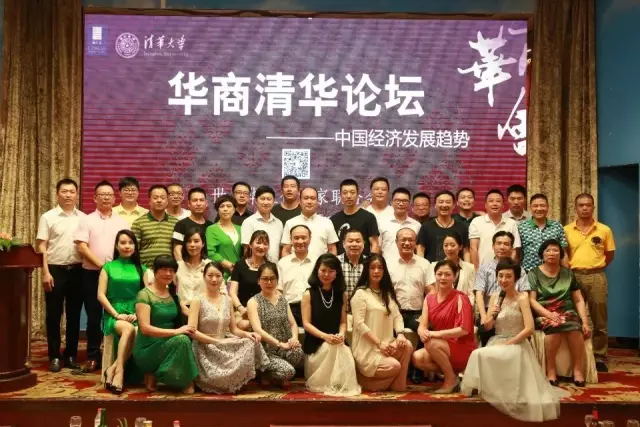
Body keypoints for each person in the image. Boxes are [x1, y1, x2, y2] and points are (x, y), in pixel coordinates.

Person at [461, 259, 563, 422]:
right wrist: (492, 315)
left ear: (516, 278)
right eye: (500, 276)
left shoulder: (522, 298)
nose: (503, 280)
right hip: (497, 339)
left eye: (508, 276)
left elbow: (529, 328)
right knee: (477, 353)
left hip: (517, 342)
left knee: (484, 354)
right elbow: (488, 327)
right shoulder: (495, 297)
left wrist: (510, 343)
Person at [74, 180, 129, 372]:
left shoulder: (122, 222)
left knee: (116, 314)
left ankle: (115, 354)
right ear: (94, 198)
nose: (106, 198)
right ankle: (92, 356)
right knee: (93, 316)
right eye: (102, 194)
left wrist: (114, 269)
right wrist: (103, 266)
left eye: (109, 195)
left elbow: (127, 246)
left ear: (114, 198)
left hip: (117, 276)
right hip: (92, 274)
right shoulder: (86, 220)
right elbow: (82, 247)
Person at [189, 262, 268, 394]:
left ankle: (256, 377)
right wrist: (217, 341)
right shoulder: (197, 300)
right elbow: (192, 332)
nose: (214, 279)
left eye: (218, 276)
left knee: (251, 341)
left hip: (224, 342)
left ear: (223, 278)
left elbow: (234, 329)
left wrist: (248, 334)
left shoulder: (228, 300)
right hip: (205, 347)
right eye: (210, 275)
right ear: (204, 277)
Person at [36, 178, 86, 372]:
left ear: (76, 194)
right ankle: (54, 356)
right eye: (64, 191)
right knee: (54, 315)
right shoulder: (48, 217)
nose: (68, 195)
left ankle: (71, 354)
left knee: (74, 315)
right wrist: (45, 272)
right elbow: (41, 246)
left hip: (78, 270)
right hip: (55, 270)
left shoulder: (83, 218)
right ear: (57, 194)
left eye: (71, 191)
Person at [564, 193, 615, 372]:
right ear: (575, 208)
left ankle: (599, 356)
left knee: (599, 318)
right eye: (581, 205)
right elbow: (564, 254)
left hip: (596, 276)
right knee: (573, 317)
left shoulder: (604, 230)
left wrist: (595, 267)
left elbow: (609, 255)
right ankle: (576, 353)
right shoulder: (567, 230)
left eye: (588, 205)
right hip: (573, 276)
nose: (584, 208)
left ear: (593, 207)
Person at [528, 239, 591, 386]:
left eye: (555, 250)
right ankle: (551, 370)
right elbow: (532, 300)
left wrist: (585, 321)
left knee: (575, 327)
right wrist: (548, 314)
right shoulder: (533, 273)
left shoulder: (568, 273)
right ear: (542, 254)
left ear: (561, 254)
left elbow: (578, 300)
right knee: (554, 326)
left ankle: (577, 370)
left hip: (567, 310)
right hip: (544, 311)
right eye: (548, 250)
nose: (552, 253)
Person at [133, 255, 198, 393]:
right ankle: (184, 381)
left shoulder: (173, 295)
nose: (168, 273)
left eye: (172, 270)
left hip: (169, 342)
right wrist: (177, 331)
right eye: (164, 269)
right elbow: (145, 329)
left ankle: (157, 375)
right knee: (182, 339)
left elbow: (189, 312)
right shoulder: (144, 295)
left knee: (188, 338)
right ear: (155, 271)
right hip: (147, 347)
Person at [350, 254, 413, 392]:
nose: (376, 271)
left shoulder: (387, 294)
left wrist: (400, 334)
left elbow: (397, 317)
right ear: (367, 270)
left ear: (384, 271)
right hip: (368, 349)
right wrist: (379, 343)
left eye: (380, 268)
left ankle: (398, 385)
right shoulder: (360, 294)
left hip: (387, 345)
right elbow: (359, 324)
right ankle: (367, 382)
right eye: (372, 268)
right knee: (394, 366)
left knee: (407, 345)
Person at [412, 260, 476, 393]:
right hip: (442, 346)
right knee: (417, 358)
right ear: (434, 275)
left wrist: (434, 334)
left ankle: (450, 380)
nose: (443, 278)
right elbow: (422, 325)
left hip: (461, 347)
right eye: (439, 274)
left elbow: (464, 330)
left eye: (447, 274)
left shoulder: (461, 298)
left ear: (455, 276)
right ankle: (452, 375)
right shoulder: (429, 298)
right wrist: (421, 331)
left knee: (431, 343)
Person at [301, 254, 361, 396]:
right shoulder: (308, 294)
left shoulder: (341, 294)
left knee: (342, 349)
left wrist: (341, 334)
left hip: (336, 340)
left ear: (337, 273)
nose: (326, 274)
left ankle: (339, 383)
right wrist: (325, 337)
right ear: (317, 270)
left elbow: (343, 322)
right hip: (315, 344)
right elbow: (306, 324)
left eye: (331, 271)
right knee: (331, 347)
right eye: (323, 270)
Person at [97, 230, 146, 394]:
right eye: (123, 243)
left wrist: (137, 314)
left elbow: (146, 296)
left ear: (135, 246)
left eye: (130, 243)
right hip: (114, 312)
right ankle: (120, 372)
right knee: (129, 329)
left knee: (136, 328)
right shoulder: (108, 267)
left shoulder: (141, 269)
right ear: (117, 246)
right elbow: (100, 295)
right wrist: (116, 314)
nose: (127, 246)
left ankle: (113, 368)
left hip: (135, 312)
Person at [247, 262, 305, 388]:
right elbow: (257, 330)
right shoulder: (253, 302)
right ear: (258, 281)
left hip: (285, 347)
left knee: (298, 352)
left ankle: (278, 373)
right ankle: (265, 372)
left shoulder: (282, 299)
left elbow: (293, 324)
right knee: (289, 371)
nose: (269, 282)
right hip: (266, 351)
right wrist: (279, 344)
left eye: (272, 279)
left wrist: (294, 339)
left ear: (277, 280)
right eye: (265, 279)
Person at [474, 231, 530, 346]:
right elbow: (479, 293)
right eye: (499, 243)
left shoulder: (519, 269)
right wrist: (484, 316)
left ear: (512, 248)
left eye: (506, 244)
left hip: (515, 306)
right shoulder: (484, 268)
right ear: (493, 246)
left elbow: (524, 292)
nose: (502, 247)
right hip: (491, 307)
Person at [387, 228, 432, 332]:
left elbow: (431, 292)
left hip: (418, 314)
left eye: (411, 240)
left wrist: (426, 315)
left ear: (415, 243)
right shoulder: (388, 264)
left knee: (426, 333)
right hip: (394, 313)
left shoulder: (424, 264)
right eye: (403, 240)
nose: (407, 243)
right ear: (396, 242)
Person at [469, 189, 521, 269]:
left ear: (503, 205)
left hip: (504, 271)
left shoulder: (511, 223)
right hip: (483, 271)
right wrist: (476, 271)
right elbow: (473, 248)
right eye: (491, 201)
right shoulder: (476, 222)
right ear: (485, 205)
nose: (495, 204)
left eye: (498, 201)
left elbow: (514, 249)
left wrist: (509, 268)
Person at [281, 187, 339, 259]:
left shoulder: (327, 222)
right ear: (300, 201)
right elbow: (286, 251)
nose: (309, 201)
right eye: (306, 198)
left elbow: (332, 249)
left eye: (312, 198)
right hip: (296, 265)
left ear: (317, 202)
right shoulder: (290, 223)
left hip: (321, 266)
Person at [229, 230, 270, 330]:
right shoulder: (240, 265)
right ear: (250, 245)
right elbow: (232, 292)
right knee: (244, 324)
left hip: (263, 311)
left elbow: (272, 293)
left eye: (265, 244)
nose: (261, 247)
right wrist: (241, 309)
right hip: (242, 311)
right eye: (258, 243)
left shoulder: (270, 267)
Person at [518, 193, 568, 272]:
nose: (539, 208)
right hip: (528, 273)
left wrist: (567, 274)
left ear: (548, 207)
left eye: (542, 205)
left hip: (553, 273)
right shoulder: (521, 227)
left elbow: (563, 253)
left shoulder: (557, 226)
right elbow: (517, 253)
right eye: (535, 206)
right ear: (530, 208)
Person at [131, 185, 178, 268]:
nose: (159, 200)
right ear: (149, 201)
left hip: (169, 271)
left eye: (162, 198)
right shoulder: (138, 223)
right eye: (155, 198)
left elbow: (178, 250)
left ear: (167, 201)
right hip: (146, 271)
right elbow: (133, 251)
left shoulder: (176, 223)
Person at [330, 178, 380, 255]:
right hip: (340, 262)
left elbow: (375, 244)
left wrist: (372, 261)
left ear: (357, 194)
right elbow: (332, 248)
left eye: (352, 192)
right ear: (340, 195)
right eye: (345, 193)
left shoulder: (369, 217)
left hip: (364, 261)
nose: (348, 196)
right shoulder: (333, 220)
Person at [277, 224, 315, 325]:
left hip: (313, 309)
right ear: (291, 240)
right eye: (296, 238)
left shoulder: (317, 262)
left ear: (310, 239)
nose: (300, 241)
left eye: (303, 238)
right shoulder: (282, 263)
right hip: (289, 310)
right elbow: (278, 291)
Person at [417, 190, 469, 262]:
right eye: (441, 202)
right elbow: (420, 250)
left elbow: (466, 251)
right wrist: (422, 267)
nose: (444, 205)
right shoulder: (426, 226)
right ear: (435, 205)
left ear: (454, 205)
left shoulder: (462, 226)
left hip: (456, 268)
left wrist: (467, 267)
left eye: (448, 202)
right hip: (432, 268)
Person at [428, 232, 475, 304]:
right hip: (441, 306)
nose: (449, 248)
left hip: (462, 306)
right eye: (446, 245)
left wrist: (465, 307)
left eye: (452, 245)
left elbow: (471, 294)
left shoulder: (469, 268)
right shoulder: (434, 266)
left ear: (460, 247)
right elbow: (434, 291)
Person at [240, 185, 283, 262]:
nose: (266, 202)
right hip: (255, 267)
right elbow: (247, 250)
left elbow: (280, 249)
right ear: (256, 201)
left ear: (273, 201)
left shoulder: (279, 223)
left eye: (269, 199)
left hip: (274, 267)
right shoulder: (248, 222)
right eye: (262, 199)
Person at [175, 230, 212, 316]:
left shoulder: (210, 266)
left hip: (204, 312)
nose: (192, 245)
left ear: (203, 244)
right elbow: (171, 292)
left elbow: (221, 291)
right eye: (189, 241)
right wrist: (181, 305)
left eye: (196, 241)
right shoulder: (178, 266)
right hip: (181, 311)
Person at [378, 187, 421, 262]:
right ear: (391, 202)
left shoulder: (417, 225)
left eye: (404, 201)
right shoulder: (381, 223)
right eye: (397, 201)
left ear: (410, 203)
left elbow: (418, 250)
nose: (401, 204)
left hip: (410, 266)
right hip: (387, 266)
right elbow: (378, 248)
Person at [205, 194, 241, 280]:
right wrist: (229, 265)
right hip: (219, 274)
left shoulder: (240, 229)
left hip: (239, 274)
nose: (225, 209)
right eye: (222, 206)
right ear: (218, 210)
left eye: (229, 206)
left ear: (234, 210)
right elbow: (211, 253)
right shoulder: (211, 229)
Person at [172, 187, 213, 261]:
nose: (198, 204)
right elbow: (177, 250)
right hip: (186, 266)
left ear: (206, 203)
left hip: (207, 266)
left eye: (201, 200)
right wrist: (181, 266)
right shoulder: (180, 224)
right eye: (195, 200)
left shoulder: (211, 226)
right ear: (189, 204)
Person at [337, 229, 366, 311]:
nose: (354, 244)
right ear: (343, 244)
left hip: (363, 310)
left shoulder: (369, 263)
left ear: (363, 244)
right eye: (350, 241)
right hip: (340, 310)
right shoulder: (335, 262)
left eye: (358, 241)